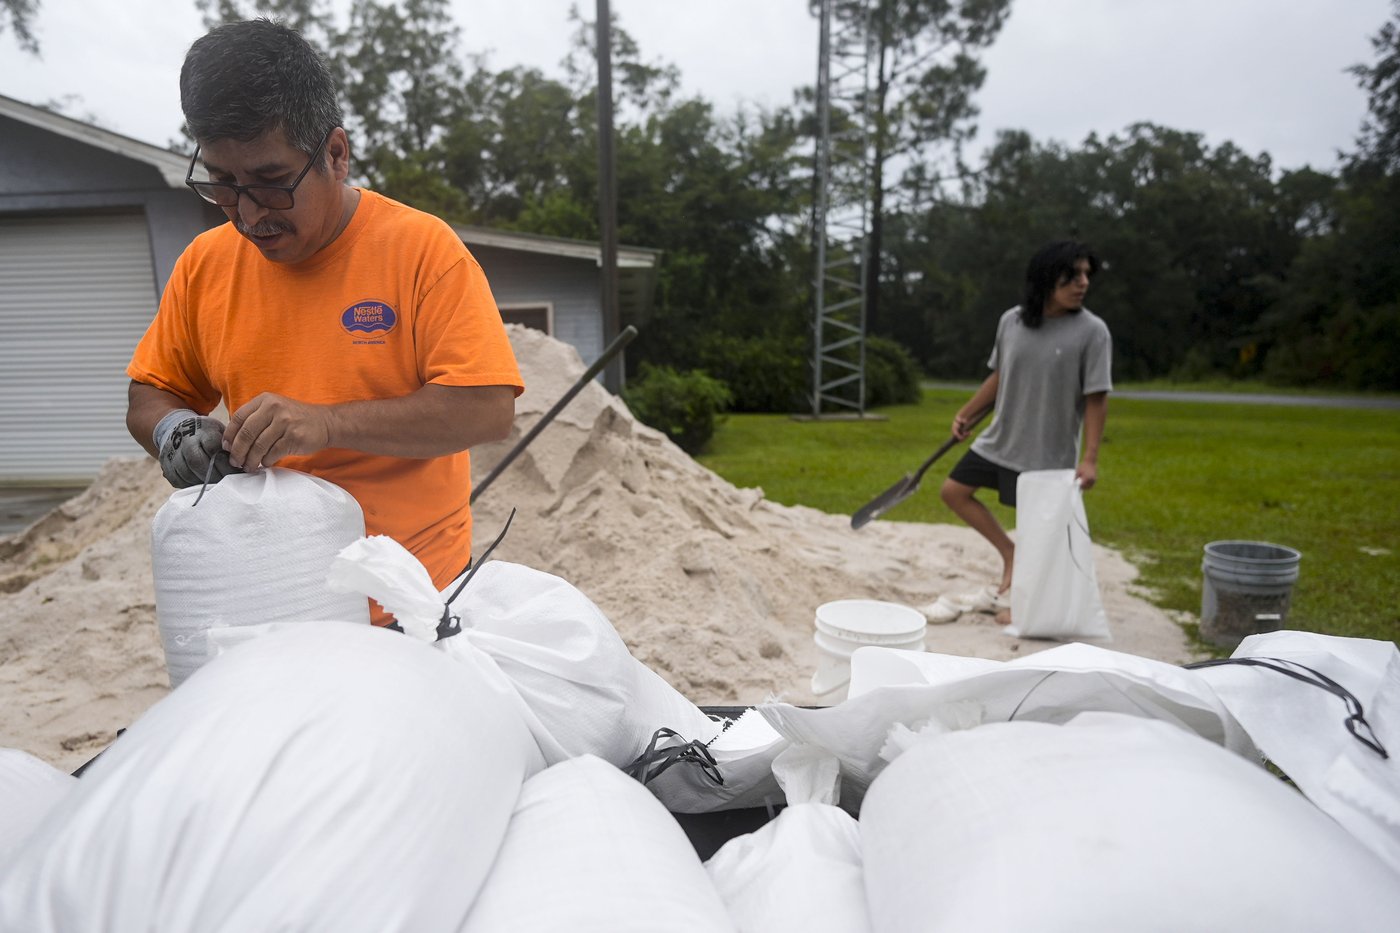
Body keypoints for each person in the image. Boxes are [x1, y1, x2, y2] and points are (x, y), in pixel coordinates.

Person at [125, 19, 523, 624]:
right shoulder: (205, 266)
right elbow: (150, 394)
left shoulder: (421, 251)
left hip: (413, 604)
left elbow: (487, 407)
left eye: (270, 182)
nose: (249, 213)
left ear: (335, 154)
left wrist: (326, 424)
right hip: (272, 602)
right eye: (223, 184)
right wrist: (174, 430)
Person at [921, 240, 1111, 625]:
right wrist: (968, 412)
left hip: (1047, 454)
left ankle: (1024, 597)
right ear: (1046, 278)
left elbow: (1096, 397)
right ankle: (1010, 554)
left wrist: (1089, 458)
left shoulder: (1093, 332)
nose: (1083, 283)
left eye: (1087, 274)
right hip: (999, 440)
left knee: (1040, 537)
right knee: (953, 492)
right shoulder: (1012, 321)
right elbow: (1002, 374)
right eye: (1073, 274)